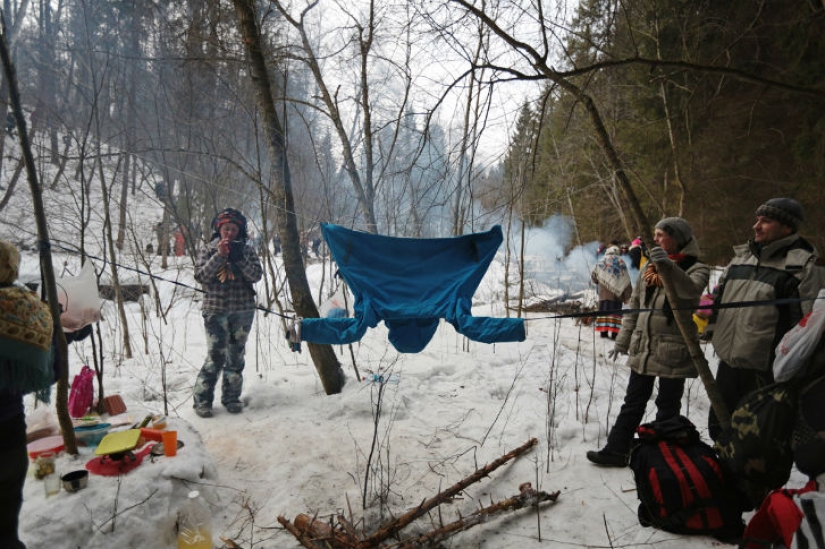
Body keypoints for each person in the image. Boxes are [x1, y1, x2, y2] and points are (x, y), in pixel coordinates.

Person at [587, 217, 709, 466]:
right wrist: (622, 341)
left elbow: (691, 291)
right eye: (655, 234)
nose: (656, 240)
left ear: (679, 238)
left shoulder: (697, 267)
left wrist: (670, 268)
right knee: (633, 401)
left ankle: (667, 458)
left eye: (662, 235)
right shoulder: (649, 268)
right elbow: (635, 307)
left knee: (667, 406)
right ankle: (616, 450)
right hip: (644, 346)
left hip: (673, 349)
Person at [707, 198, 821, 440]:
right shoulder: (740, 259)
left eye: (766, 221)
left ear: (787, 228)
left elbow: (807, 328)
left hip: (765, 373)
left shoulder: (803, 267)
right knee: (719, 428)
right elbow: (717, 303)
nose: (756, 226)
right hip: (727, 364)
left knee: (756, 440)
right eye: (757, 220)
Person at [0, 240, 56, 549]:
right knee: (6, 507)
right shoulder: (25, 306)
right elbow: (51, 366)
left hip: (7, 425)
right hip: (7, 425)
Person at [192, 208, 263, 417]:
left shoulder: (248, 251)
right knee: (216, 357)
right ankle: (202, 401)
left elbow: (256, 276)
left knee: (236, 356)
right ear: (219, 229)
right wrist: (219, 257)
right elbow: (201, 276)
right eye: (226, 229)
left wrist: (239, 258)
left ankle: (231, 398)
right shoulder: (208, 249)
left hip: (242, 311)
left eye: (233, 229)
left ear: (239, 231)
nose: (229, 233)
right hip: (216, 311)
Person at [590, 246, 632, 339]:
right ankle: (614, 334)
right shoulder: (621, 262)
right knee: (615, 312)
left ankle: (603, 332)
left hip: (604, 292)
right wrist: (627, 294)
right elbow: (626, 279)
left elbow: (593, 275)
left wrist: (598, 282)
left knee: (603, 310)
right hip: (617, 294)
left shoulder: (601, 261)